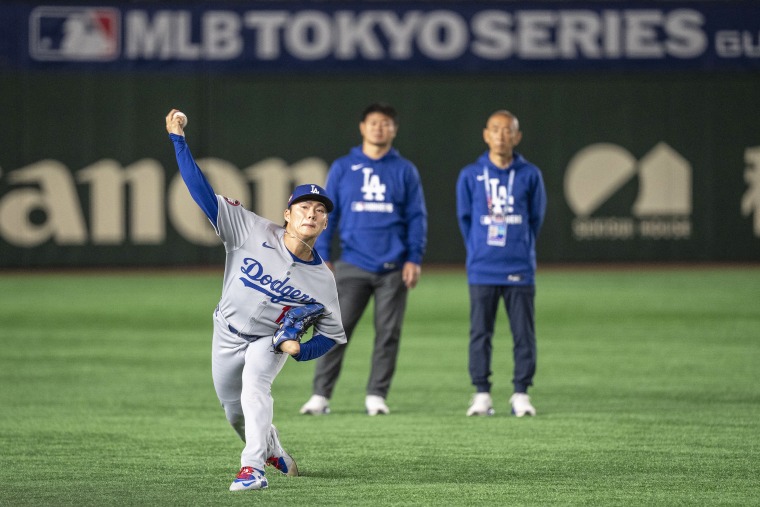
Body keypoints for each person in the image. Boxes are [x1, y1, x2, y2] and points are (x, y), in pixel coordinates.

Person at [165, 109, 347, 491]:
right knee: (235, 414)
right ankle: (271, 448)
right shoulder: (248, 228)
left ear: (325, 223)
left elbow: (332, 335)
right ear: (287, 215)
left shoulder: (323, 279)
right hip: (226, 332)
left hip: (269, 339)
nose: (312, 213)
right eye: (304, 207)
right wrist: (178, 140)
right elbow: (200, 191)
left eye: (319, 211)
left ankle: (253, 470)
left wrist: (300, 350)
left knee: (255, 386)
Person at [299, 103, 428, 416]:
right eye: (373, 123)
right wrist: (323, 255)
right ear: (362, 127)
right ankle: (321, 395)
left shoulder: (405, 170)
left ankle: (376, 395)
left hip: (393, 268)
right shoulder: (344, 167)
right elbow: (328, 213)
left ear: (393, 129)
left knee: (388, 333)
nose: (379, 128)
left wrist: (414, 257)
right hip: (352, 265)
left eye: (385, 123)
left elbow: (416, 217)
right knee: (334, 329)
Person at [456, 110, 547, 417]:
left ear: (517, 137)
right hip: (483, 267)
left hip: (519, 267)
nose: (501, 135)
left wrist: (519, 245)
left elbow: (536, 218)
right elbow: (465, 219)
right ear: (486, 135)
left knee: (524, 333)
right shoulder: (470, 174)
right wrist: (479, 250)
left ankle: (521, 393)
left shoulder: (530, 174)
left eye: (508, 130)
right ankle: (482, 393)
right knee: (480, 332)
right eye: (496, 129)